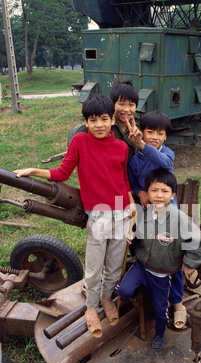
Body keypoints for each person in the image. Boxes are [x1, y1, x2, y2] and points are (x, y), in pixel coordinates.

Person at [13, 94, 135, 338]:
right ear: (86, 123)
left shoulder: (122, 147)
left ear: (112, 119)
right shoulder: (80, 142)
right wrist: (33, 170)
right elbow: (62, 172)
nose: (99, 124)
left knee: (113, 267)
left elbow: (123, 181)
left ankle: (106, 298)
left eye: (103, 118)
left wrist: (132, 215)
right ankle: (91, 306)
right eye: (93, 120)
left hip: (122, 213)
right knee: (94, 267)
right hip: (98, 217)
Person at [115, 168, 201, 350]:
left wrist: (189, 265)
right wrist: (132, 237)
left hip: (161, 273)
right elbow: (137, 236)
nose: (159, 195)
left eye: (165, 191)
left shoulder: (179, 219)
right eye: (154, 190)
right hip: (142, 265)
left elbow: (200, 243)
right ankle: (132, 292)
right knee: (125, 292)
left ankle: (159, 333)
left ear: (172, 195)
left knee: (160, 310)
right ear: (147, 193)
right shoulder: (143, 214)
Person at [126, 111, 185, 328]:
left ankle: (178, 303)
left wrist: (141, 144)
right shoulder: (134, 161)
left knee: (171, 254)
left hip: (167, 213)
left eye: (160, 133)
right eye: (150, 132)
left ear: (166, 137)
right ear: (143, 130)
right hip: (144, 211)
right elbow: (131, 183)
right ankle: (143, 279)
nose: (155, 137)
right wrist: (139, 192)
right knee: (142, 246)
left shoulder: (168, 154)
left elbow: (160, 160)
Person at [109, 80, 139, 162]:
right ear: (113, 104)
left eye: (131, 105)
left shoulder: (138, 130)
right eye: (121, 104)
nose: (126, 110)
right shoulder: (106, 127)